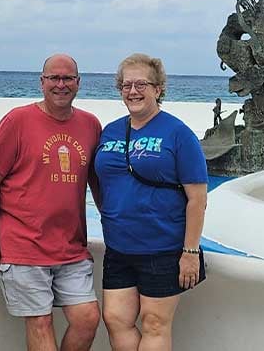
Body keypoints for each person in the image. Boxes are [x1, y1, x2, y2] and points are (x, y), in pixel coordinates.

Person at [0, 53, 103, 351]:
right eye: (54, 78)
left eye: (67, 78)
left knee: (87, 319)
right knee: (40, 323)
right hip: (23, 246)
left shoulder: (90, 125)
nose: (61, 84)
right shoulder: (17, 120)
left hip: (71, 248)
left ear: (79, 83)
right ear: (42, 83)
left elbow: (99, 185)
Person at [94, 53, 208, 351]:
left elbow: (197, 199)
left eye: (141, 84)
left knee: (155, 324)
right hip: (119, 248)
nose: (133, 91)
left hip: (163, 248)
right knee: (115, 318)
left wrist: (190, 252)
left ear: (158, 89)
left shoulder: (179, 134)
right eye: (126, 85)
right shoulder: (111, 131)